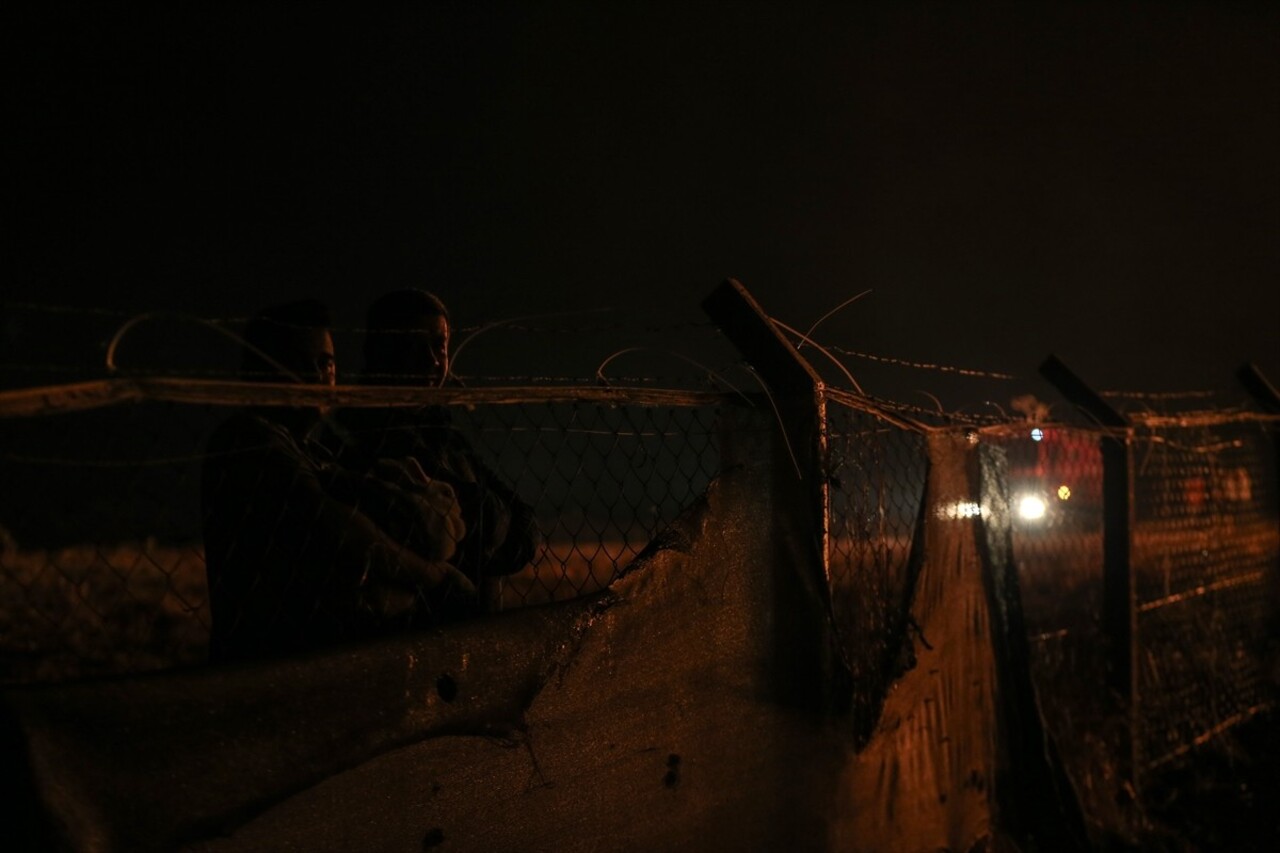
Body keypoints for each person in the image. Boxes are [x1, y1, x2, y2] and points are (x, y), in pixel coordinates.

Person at [201, 298, 473, 663]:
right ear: (261, 372)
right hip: (270, 658)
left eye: (325, 363)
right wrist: (434, 577)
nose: (318, 378)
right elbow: (337, 528)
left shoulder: (317, 452)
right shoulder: (249, 441)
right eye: (300, 364)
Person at [337, 289, 539, 616]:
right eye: (413, 347)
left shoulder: (442, 430)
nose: (431, 360)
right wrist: (491, 541)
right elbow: (489, 521)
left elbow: (518, 522)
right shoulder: (362, 435)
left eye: (439, 346)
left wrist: (479, 542)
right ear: (379, 352)